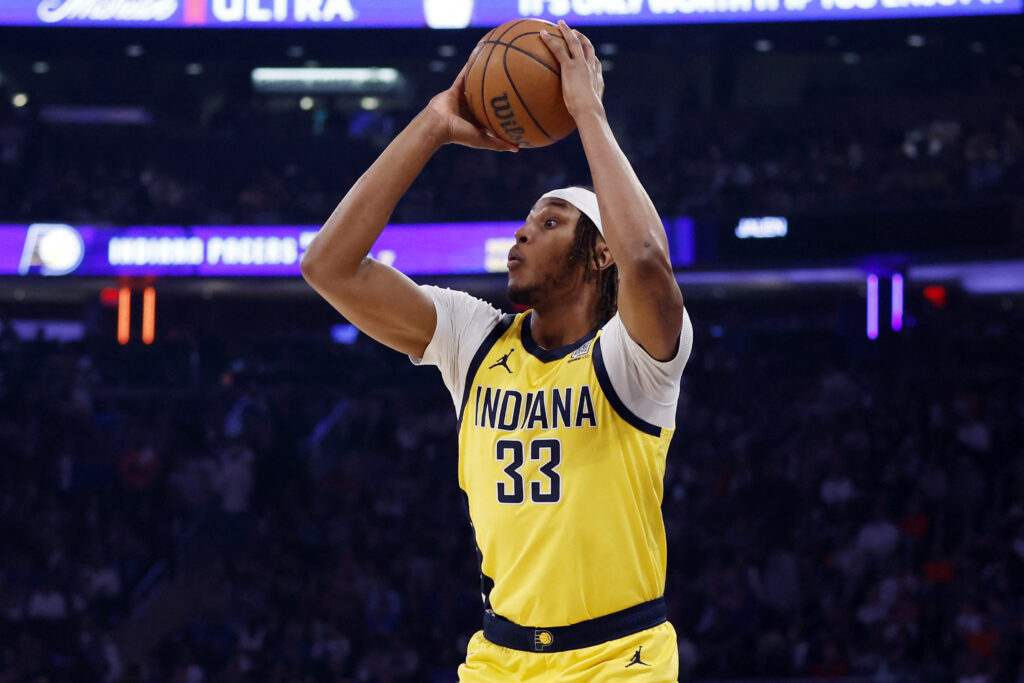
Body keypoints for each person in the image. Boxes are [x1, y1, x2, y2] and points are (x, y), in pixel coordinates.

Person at [301, 20, 693, 682]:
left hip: (617, 659)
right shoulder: (474, 338)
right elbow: (328, 266)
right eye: (523, 222)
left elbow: (648, 258)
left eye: (548, 222)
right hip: (499, 657)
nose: (520, 235)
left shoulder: (635, 362)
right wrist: (432, 124)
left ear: (600, 251)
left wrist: (586, 112)